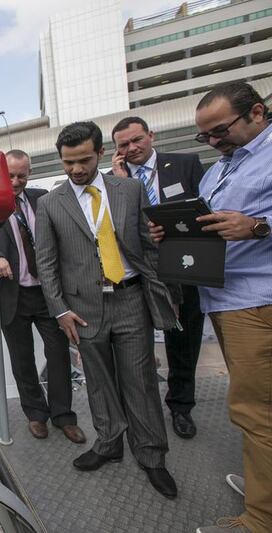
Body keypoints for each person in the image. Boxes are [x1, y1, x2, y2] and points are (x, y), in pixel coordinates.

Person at [149, 82, 271, 533]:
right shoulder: (221, 168)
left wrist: (258, 226)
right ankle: (265, 486)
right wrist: (173, 235)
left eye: (219, 130)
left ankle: (260, 518)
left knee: (255, 413)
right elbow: (209, 228)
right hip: (227, 299)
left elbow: (251, 226)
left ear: (257, 112)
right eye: (206, 137)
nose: (213, 142)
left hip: (257, 301)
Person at [34, 121, 179, 499]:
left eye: (83, 160)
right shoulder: (50, 203)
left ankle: (151, 455)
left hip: (130, 299)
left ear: (100, 153)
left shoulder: (129, 189)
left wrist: (159, 288)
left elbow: (148, 244)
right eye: (68, 163)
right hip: (82, 308)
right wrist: (60, 310)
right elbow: (46, 263)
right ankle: (109, 442)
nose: (76, 170)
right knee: (98, 381)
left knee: (141, 381)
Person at [0, 149, 85, 443]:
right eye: (10, 175)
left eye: (21, 175)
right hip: (14, 296)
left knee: (59, 354)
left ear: (30, 173)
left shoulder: (42, 199)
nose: (15, 181)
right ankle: (36, 414)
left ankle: (63, 416)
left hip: (48, 294)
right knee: (22, 360)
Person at [110, 116, 205, 439]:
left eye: (137, 140)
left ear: (151, 135)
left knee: (184, 341)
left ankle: (180, 406)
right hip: (141, 273)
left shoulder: (185, 165)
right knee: (137, 345)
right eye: (124, 145)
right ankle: (140, 410)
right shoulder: (113, 181)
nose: (132, 148)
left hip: (184, 266)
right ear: (116, 150)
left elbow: (207, 211)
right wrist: (122, 182)